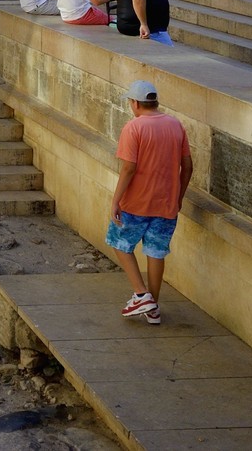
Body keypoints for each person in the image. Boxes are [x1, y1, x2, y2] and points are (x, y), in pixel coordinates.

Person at [106, 81, 193, 327]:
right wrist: (179, 196)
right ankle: (153, 309)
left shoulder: (134, 127)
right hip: (167, 203)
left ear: (135, 103)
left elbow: (129, 168)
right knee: (155, 252)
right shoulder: (176, 125)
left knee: (119, 243)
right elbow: (187, 166)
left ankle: (142, 295)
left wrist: (115, 200)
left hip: (136, 201)